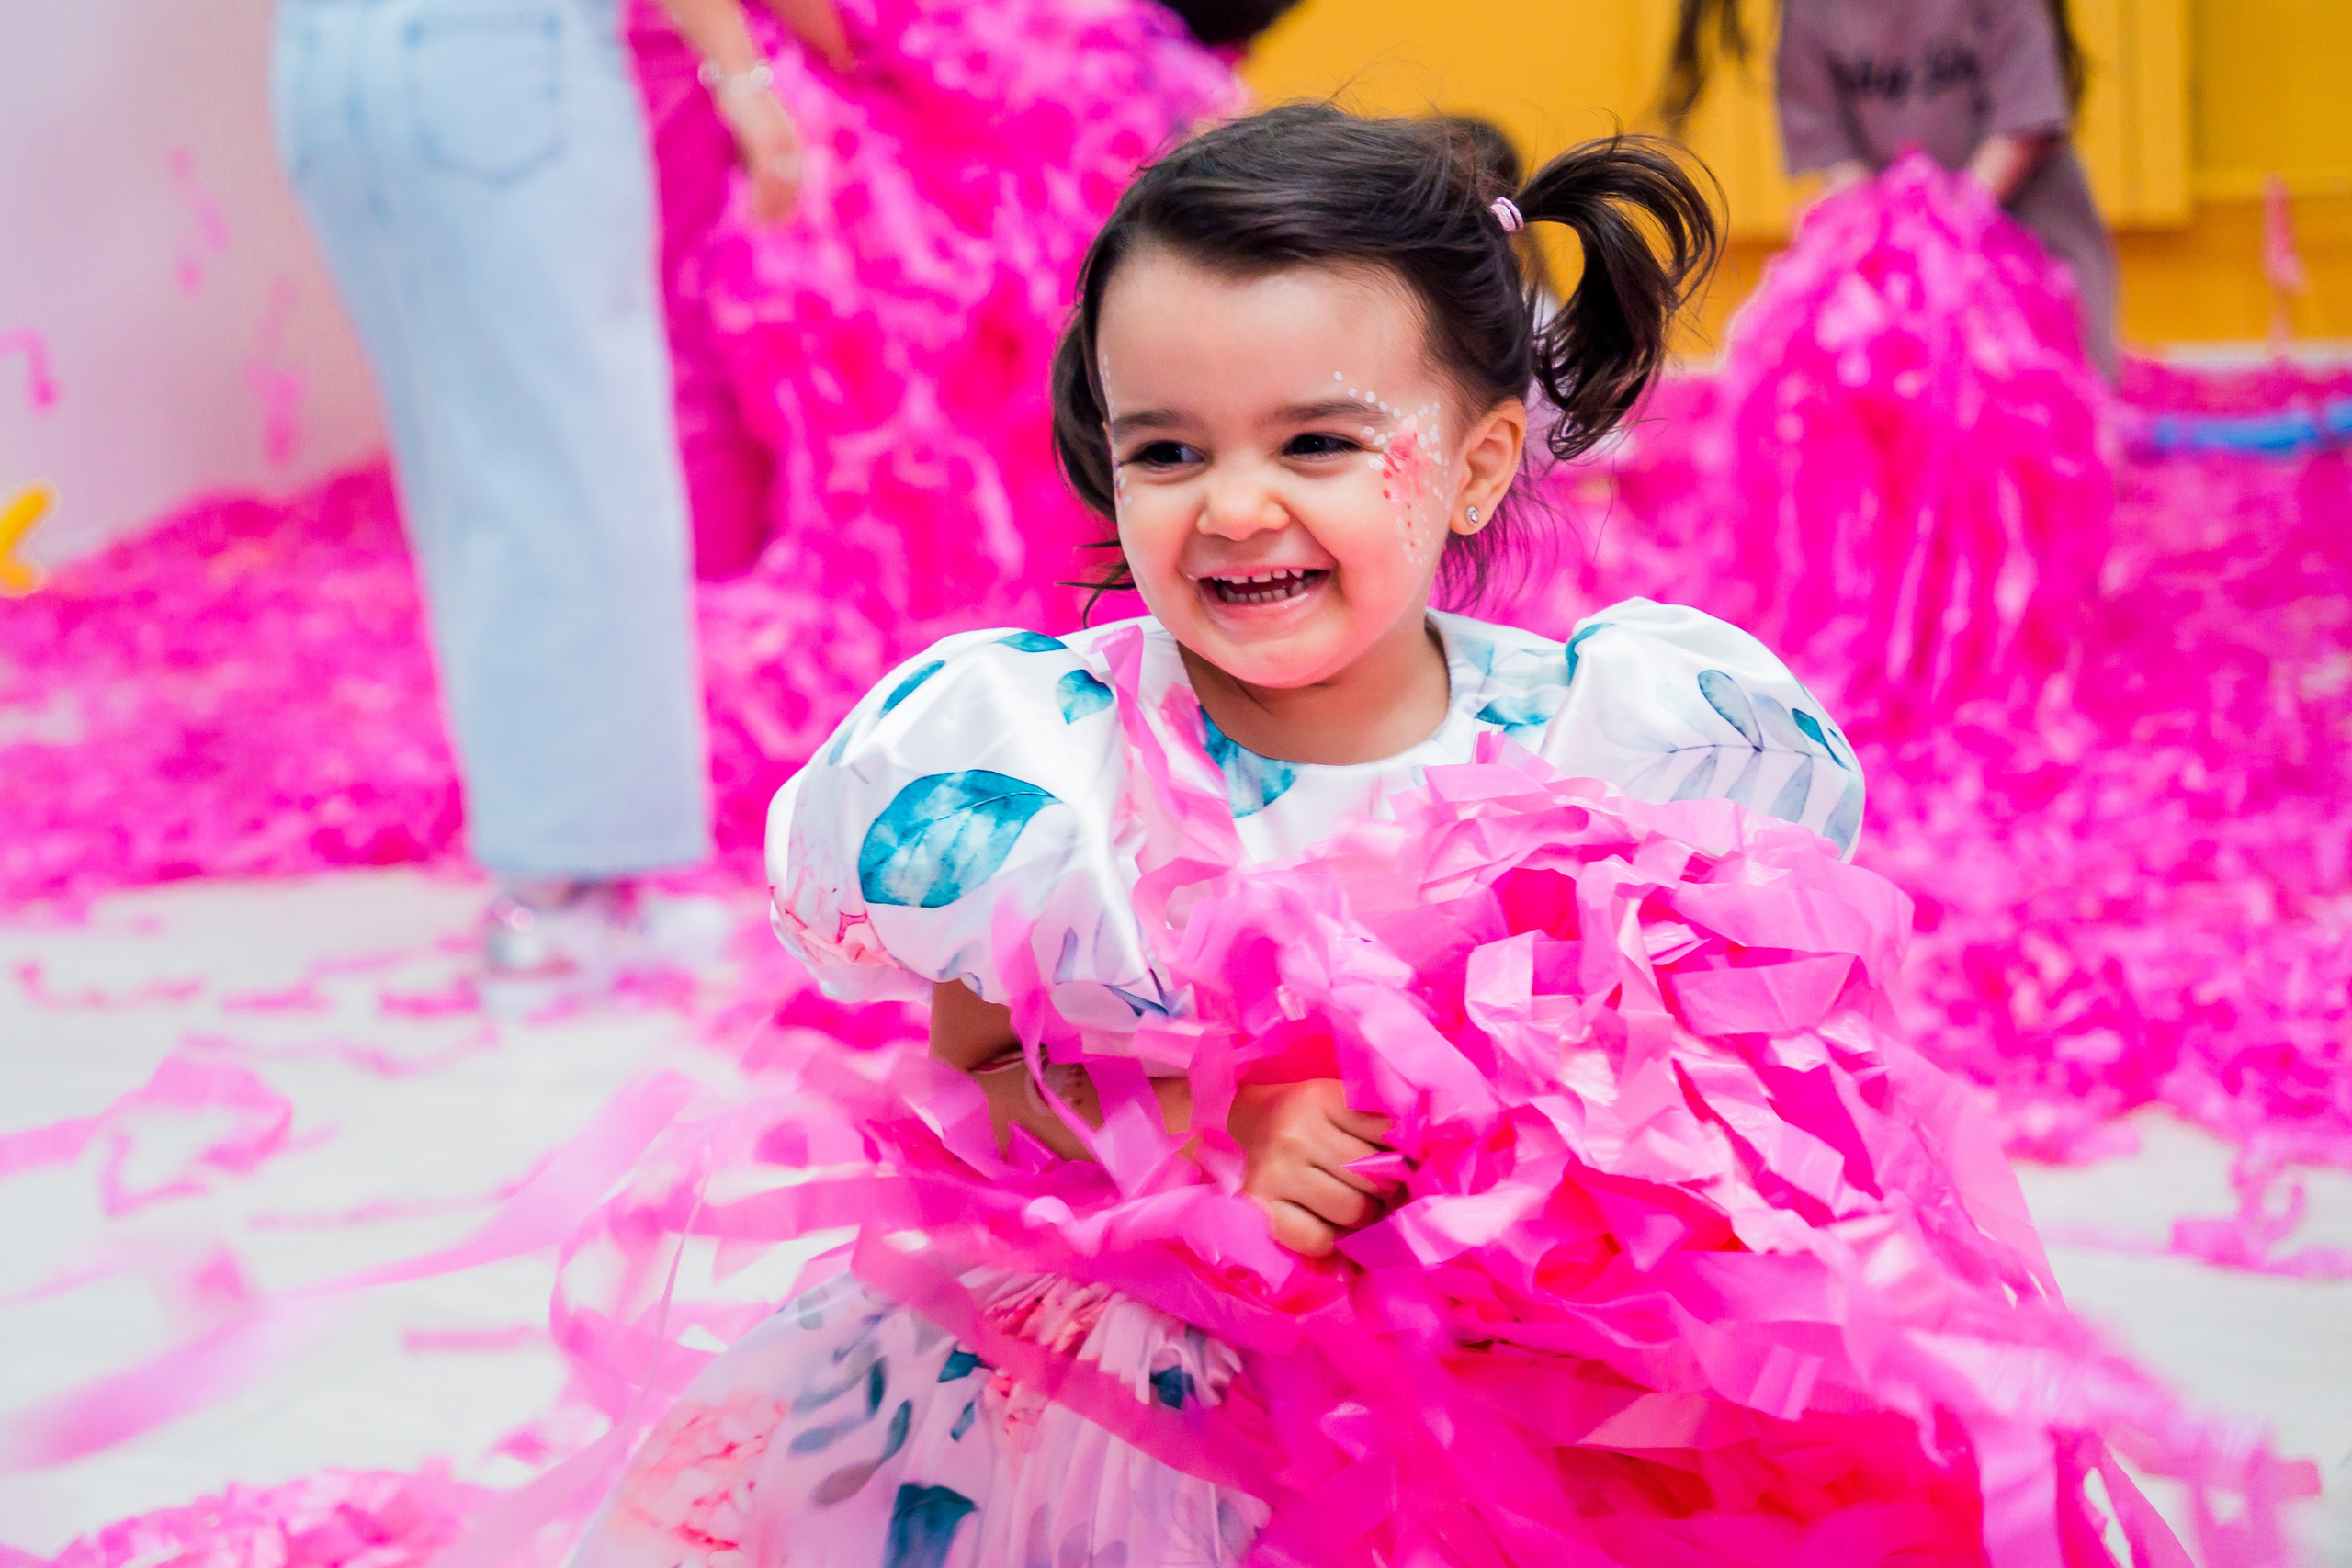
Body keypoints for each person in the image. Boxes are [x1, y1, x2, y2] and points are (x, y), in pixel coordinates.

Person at [569, 103, 2216, 1565]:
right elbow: (980, 1060)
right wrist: (1199, 1130)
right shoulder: (1056, 767)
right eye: (1167, 449)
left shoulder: (1602, 744)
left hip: (1516, 1398)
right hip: (1138, 1403)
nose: (1233, 504)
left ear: (1479, 464)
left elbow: (1733, 1075)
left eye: (1317, 442)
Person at [272, 0, 722, 1008]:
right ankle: (551, 898)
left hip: (326, 65)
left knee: (469, 472)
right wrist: (742, 75)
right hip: (503, 63)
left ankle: (570, 878)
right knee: (580, 468)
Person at [1665, 0, 2121, 380]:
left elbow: (2024, 126)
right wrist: (1892, 237)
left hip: (2027, 224)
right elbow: (1832, 152)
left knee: (2052, 393)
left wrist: (1951, 224)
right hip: (1894, 243)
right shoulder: (1810, 10)